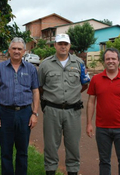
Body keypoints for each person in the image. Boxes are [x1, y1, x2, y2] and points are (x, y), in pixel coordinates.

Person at [38, 33, 88, 175]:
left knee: (73, 145)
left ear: (69, 46)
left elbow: (84, 84)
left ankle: (72, 171)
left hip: (73, 111)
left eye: (65, 44)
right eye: (60, 43)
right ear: (55, 45)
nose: (63, 46)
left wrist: (73, 94)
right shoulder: (45, 64)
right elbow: (40, 86)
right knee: (50, 146)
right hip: (52, 110)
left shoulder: (79, 63)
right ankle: (50, 170)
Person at [86, 47, 120, 175]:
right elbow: (91, 102)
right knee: (104, 161)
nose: (111, 61)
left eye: (113, 59)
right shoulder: (96, 79)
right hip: (102, 128)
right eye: (108, 59)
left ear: (119, 60)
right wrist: (89, 123)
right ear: (104, 61)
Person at [0, 37, 40, 175]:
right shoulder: (0, 68)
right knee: (6, 151)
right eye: (14, 48)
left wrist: (34, 114)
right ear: (9, 50)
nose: (16, 51)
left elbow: (35, 91)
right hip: (5, 113)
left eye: (19, 49)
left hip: (25, 114)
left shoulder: (31, 69)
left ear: (24, 51)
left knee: (22, 151)